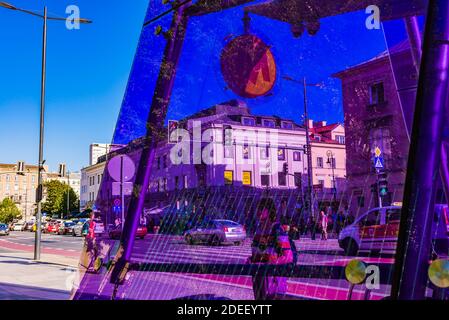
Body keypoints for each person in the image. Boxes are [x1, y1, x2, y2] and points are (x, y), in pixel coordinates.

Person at [248, 198, 297, 300]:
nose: (259, 211)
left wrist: (268, 263)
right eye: (258, 208)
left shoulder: (277, 229)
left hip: (273, 281)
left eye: (262, 208)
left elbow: (288, 257)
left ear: (269, 210)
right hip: (259, 280)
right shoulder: (258, 230)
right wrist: (251, 260)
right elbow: (258, 253)